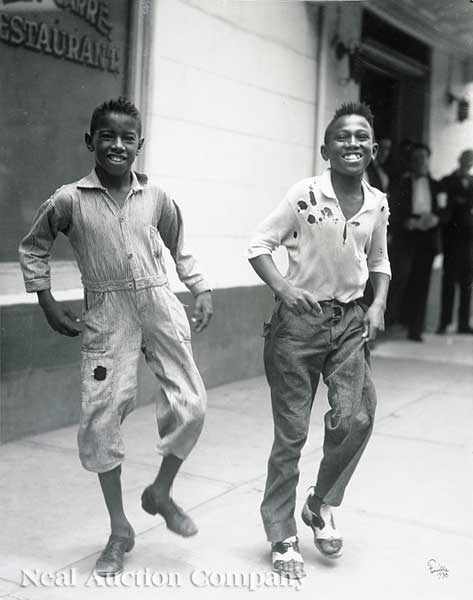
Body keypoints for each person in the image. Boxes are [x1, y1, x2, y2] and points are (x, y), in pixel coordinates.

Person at [18, 97, 213, 576]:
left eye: (128, 137)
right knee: (101, 419)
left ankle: (161, 491)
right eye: (107, 135)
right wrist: (46, 302)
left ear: (140, 145)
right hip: (106, 313)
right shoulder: (69, 199)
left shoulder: (157, 197)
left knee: (192, 404)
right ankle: (119, 528)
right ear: (91, 141)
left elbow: (179, 245)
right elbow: (34, 247)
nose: (117, 145)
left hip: (159, 304)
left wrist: (200, 288)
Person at [248, 102, 390, 579]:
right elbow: (259, 245)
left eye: (361, 136)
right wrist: (285, 290)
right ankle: (281, 532)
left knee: (357, 415)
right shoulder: (304, 194)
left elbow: (380, 262)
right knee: (291, 433)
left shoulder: (377, 201)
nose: (352, 142)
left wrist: (378, 303)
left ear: (373, 147)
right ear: (326, 148)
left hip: (350, 321)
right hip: (299, 326)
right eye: (343, 136)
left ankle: (321, 503)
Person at [387, 143, 445, 341]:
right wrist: (406, 221)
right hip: (407, 236)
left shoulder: (437, 186)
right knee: (401, 277)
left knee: (422, 283)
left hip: (427, 238)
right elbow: (392, 208)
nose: (421, 161)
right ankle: (391, 322)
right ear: (412, 162)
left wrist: (437, 218)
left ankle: (415, 329)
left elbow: (445, 211)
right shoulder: (401, 184)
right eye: (417, 158)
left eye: (424, 158)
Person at [437, 149, 473, 334]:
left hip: (469, 239)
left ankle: (463, 324)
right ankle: (444, 323)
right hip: (452, 238)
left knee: (467, 281)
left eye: (471, 161)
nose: (468, 163)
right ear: (459, 160)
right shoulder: (447, 181)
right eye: (466, 159)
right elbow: (444, 206)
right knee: (449, 280)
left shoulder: (472, 182)